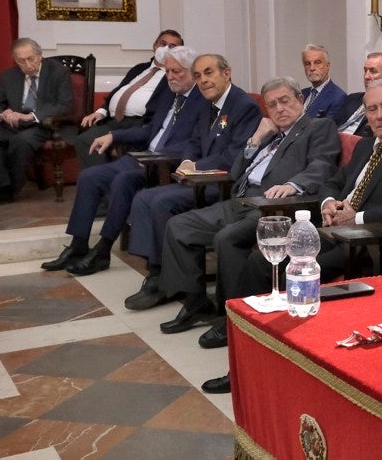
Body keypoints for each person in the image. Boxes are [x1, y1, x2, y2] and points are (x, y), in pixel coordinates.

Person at [199, 78, 382, 395]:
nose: (379, 115)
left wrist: (357, 216)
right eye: (372, 109)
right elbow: (333, 182)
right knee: (261, 259)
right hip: (332, 227)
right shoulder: (367, 144)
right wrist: (327, 203)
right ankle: (246, 353)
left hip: (367, 242)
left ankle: (281, 364)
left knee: (289, 270)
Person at [153, 76, 339, 335]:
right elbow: (236, 171)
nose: (279, 109)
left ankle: (234, 316)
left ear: (300, 100)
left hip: (272, 208)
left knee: (227, 239)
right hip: (240, 201)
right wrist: (256, 138)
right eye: (272, 105)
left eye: (285, 101)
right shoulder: (269, 134)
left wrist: (294, 185)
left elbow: (323, 164)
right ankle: (195, 303)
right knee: (178, 226)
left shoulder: (318, 127)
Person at [42, 45, 207, 275]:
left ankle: (103, 249)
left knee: (123, 180)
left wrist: (155, 159)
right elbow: (150, 130)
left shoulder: (204, 99)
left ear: (194, 72)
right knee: (89, 176)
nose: (170, 76)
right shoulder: (170, 93)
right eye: (168, 71)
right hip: (145, 155)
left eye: (177, 71)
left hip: (164, 165)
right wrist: (113, 135)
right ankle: (78, 245)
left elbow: (196, 144)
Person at [122, 53, 261, 309]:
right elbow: (194, 142)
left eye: (209, 73)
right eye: (197, 76)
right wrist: (187, 162)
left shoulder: (243, 106)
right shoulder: (207, 104)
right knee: (143, 198)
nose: (203, 81)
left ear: (227, 73)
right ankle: (158, 274)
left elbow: (235, 156)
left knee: (162, 202)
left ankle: (172, 284)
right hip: (198, 180)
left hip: (222, 185)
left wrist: (198, 166)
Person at [74, 29, 184, 168]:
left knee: (128, 152)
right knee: (84, 140)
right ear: (154, 45)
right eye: (163, 44)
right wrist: (101, 111)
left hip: (140, 123)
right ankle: (102, 182)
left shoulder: (174, 76)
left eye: (172, 47)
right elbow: (118, 92)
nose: (166, 49)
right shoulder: (139, 68)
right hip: (113, 120)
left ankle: (106, 180)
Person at [0, 38, 73, 203]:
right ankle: (3, 186)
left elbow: (64, 105)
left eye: (31, 59)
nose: (27, 65)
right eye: (21, 61)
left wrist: (31, 116)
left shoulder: (59, 72)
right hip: (15, 123)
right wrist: (4, 113)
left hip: (44, 124)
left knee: (22, 140)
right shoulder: (8, 76)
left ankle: (13, 187)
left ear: (40, 55)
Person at [334, 51, 382, 136]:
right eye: (365, 71)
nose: (366, 76)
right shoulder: (352, 98)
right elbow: (332, 125)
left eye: (373, 71)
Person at [300, 43, 347, 119]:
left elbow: (326, 129)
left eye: (317, 63)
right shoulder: (301, 94)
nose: (312, 68)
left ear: (327, 66)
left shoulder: (338, 97)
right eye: (307, 63)